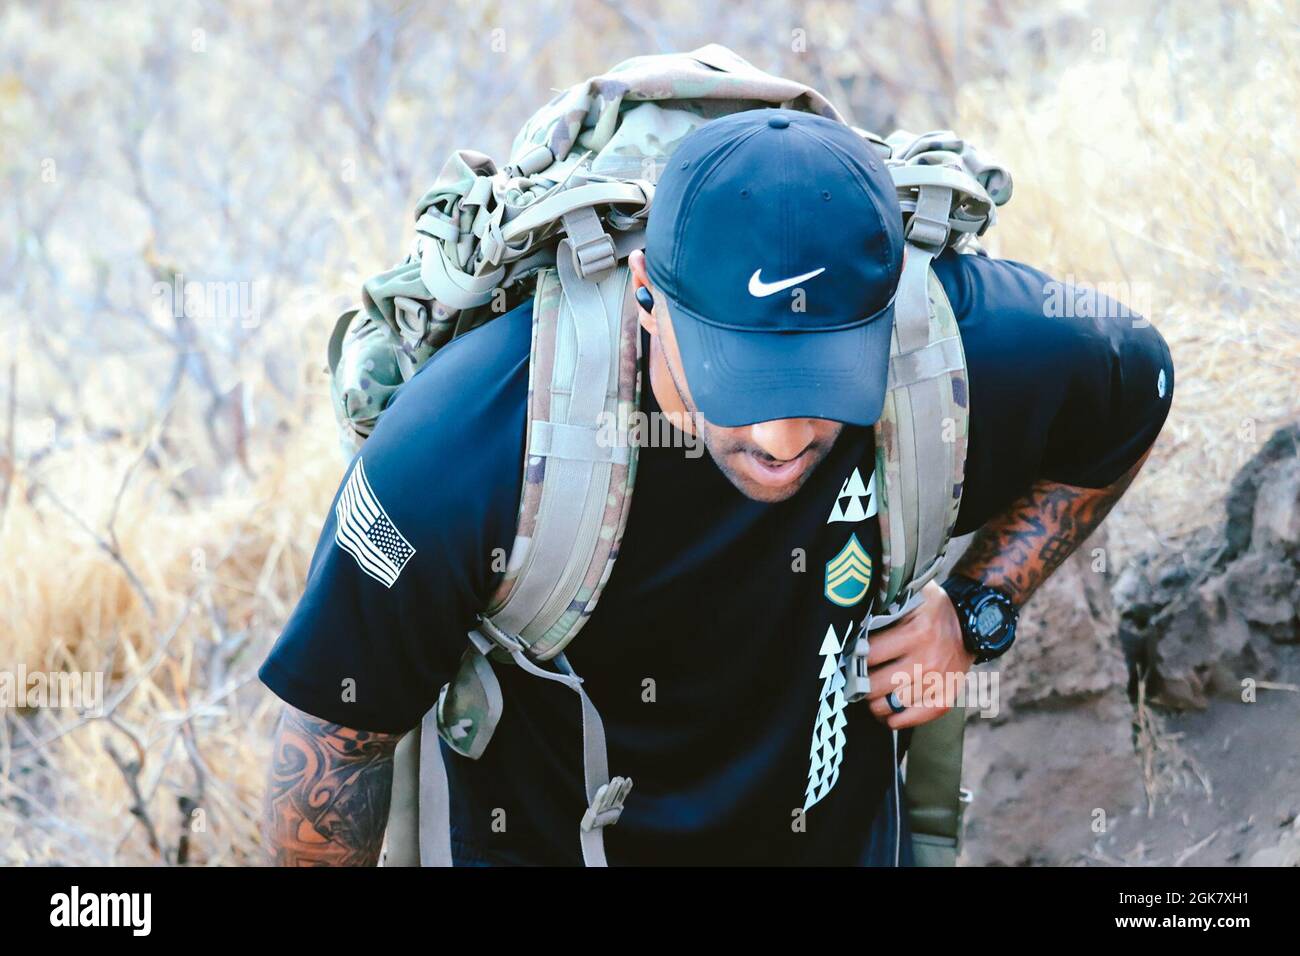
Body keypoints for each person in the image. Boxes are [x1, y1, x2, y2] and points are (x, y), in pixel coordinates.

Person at [259, 109, 1173, 866]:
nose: (782, 439)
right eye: (742, 382)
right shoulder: (466, 446)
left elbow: (1138, 388)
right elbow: (339, 739)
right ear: (646, 295)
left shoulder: (957, 347)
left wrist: (978, 611)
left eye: (822, 384)